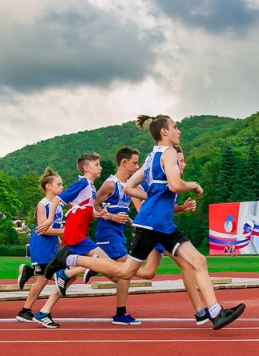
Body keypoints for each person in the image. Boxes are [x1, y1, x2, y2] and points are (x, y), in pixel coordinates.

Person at [47, 114, 245, 330]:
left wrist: (155, 197)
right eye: (175, 127)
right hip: (151, 225)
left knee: (198, 261)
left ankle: (214, 312)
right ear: (164, 132)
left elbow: (129, 187)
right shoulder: (168, 153)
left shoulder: (152, 157)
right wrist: (194, 185)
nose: (179, 131)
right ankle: (72, 258)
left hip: (163, 224)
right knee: (124, 272)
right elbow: (176, 184)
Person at [131, 146, 209, 325]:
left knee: (148, 272)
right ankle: (200, 311)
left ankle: (109, 264)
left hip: (162, 227)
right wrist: (142, 210)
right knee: (188, 265)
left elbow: (162, 206)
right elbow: (135, 193)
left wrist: (181, 208)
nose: (183, 164)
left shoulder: (171, 180)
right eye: (179, 161)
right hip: (154, 229)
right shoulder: (153, 178)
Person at [92, 147, 142, 325]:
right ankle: (120, 313)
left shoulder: (127, 186)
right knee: (126, 271)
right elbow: (94, 206)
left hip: (118, 234)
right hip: (107, 234)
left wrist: (130, 221)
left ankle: (95, 265)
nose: (137, 167)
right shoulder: (110, 184)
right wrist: (111, 217)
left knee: (122, 274)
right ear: (124, 163)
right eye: (135, 163)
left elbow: (119, 209)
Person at [16, 167, 67, 329]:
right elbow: (42, 229)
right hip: (41, 246)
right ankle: (27, 311)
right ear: (48, 187)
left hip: (51, 245)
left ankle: (25, 309)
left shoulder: (58, 205)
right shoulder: (42, 205)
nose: (62, 187)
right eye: (59, 184)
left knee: (45, 278)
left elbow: (55, 228)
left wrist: (59, 242)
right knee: (44, 278)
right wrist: (65, 231)